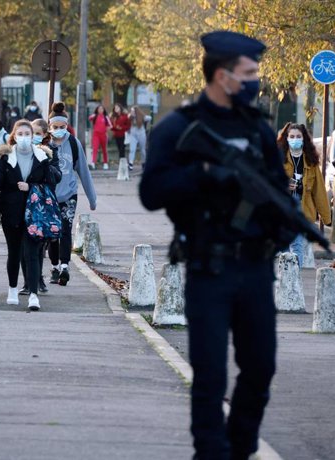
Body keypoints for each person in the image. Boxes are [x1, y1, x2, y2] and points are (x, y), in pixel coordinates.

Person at [139, 31, 291, 459]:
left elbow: (279, 190)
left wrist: (285, 227)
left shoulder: (259, 129)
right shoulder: (179, 128)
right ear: (223, 76)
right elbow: (152, 192)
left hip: (256, 269)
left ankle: (240, 448)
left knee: (260, 368)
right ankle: (209, 452)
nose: (255, 81)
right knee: (209, 376)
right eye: (249, 74)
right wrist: (204, 175)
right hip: (208, 267)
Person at [0, 120, 61, 311]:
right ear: (14, 136)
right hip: (11, 213)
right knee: (14, 253)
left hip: (35, 214)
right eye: (21, 133)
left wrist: (31, 187)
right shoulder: (6, 158)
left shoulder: (42, 157)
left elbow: (51, 184)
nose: (25, 137)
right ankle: (12, 288)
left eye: (28, 133)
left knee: (32, 253)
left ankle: (34, 294)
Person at [47, 102, 97, 286]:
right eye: (56, 127)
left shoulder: (74, 144)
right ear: (50, 127)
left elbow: (84, 171)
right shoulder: (46, 144)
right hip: (50, 196)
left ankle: (65, 266)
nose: (59, 130)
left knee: (65, 230)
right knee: (52, 233)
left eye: (62, 127)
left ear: (66, 126)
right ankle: (54, 266)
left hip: (69, 195)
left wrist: (92, 198)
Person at [278, 122, 331, 266]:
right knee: (282, 247)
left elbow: (318, 190)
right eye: (292, 136)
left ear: (303, 139)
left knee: (297, 245)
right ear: (287, 138)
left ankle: (296, 281)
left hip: (303, 206)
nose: (295, 139)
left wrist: (326, 217)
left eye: (298, 136)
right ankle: (284, 283)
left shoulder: (311, 161)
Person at [18, 118, 56, 295]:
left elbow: (56, 177)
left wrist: (45, 162)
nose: (33, 137)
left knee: (37, 246)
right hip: (21, 206)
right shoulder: (17, 152)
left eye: (38, 134)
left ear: (45, 135)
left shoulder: (48, 154)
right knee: (24, 248)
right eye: (31, 133)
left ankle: (37, 278)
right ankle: (27, 282)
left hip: (40, 207)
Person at [89, 105, 113, 170]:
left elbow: (110, 126)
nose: (100, 110)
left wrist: (107, 128)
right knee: (95, 148)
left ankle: (105, 163)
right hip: (96, 135)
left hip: (103, 135)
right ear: (97, 109)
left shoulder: (106, 117)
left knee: (104, 149)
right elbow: (89, 118)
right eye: (99, 109)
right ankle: (93, 163)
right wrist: (94, 114)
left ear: (103, 110)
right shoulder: (95, 116)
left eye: (102, 109)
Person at [128, 105, 150, 170]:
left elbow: (149, 118)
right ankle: (130, 163)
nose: (132, 112)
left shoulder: (141, 116)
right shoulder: (130, 117)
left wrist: (143, 117)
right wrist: (131, 115)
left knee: (142, 149)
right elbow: (128, 117)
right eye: (131, 111)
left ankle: (144, 162)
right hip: (133, 134)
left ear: (136, 111)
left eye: (133, 111)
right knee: (132, 149)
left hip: (141, 133)